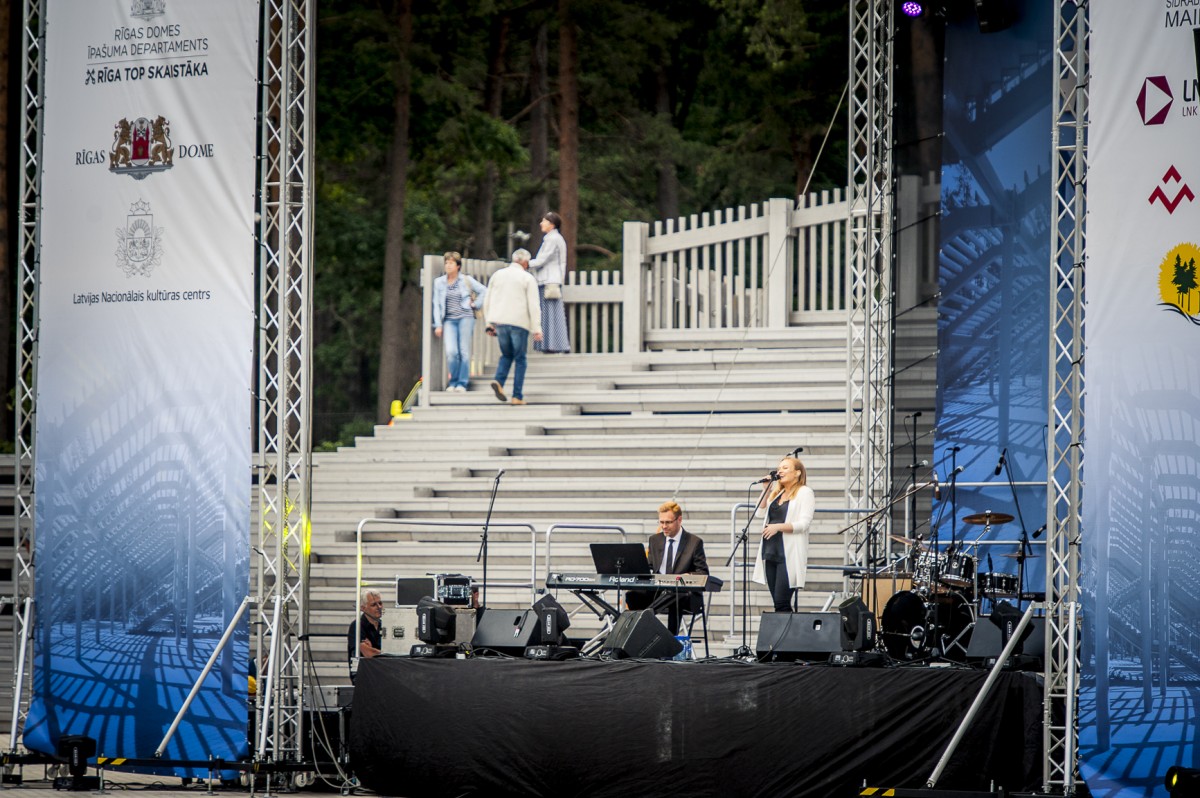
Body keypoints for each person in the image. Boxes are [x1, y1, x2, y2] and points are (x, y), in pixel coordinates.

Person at [627, 501, 709, 635]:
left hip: (684, 594)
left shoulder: (694, 542)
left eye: (668, 522)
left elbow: (703, 572)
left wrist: (688, 576)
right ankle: (643, 636)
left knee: (675, 595)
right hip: (659, 590)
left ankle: (670, 639)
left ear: (679, 520)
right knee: (633, 595)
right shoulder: (655, 540)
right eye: (661, 522)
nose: (664, 526)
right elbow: (650, 566)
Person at [751, 456, 816, 612]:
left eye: (785, 468)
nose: (780, 471)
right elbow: (760, 512)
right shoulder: (777, 493)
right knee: (778, 603)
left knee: (782, 602)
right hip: (771, 551)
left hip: (788, 555)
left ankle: (788, 636)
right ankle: (786, 635)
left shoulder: (804, 492)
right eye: (779, 468)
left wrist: (777, 527)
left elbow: (803, 524)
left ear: (797, 473)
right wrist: (766, 489)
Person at [484, 249, 542, 405]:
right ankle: (517, 396)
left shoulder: (498, 275)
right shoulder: (527, 278)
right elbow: (534, 305)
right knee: (520, 358)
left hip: (500, 322)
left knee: (506, 355)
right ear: (524, 262)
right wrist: (537, 328)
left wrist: (489, 323)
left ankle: (499, 381)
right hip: (519, 322)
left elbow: (488, 299)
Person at [431, 251, 487, 392]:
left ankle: (462, 383)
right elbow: (436, 304)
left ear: (458, 266)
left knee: (463, 351)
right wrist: (438, 324)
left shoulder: (466, 280)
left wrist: (475, 304)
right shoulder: (439, 282)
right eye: (446, 263)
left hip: (465, 317)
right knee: (451, 351)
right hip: (449, 319)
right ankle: (453, 381)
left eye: (451, 263)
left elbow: (484, 291)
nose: (448, 266)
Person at [527, 211, 571, 354]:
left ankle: (552, 344)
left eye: (544, 221)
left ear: (551, 224)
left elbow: (542, 260)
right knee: (551, 312)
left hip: (548, 280)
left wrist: (525, 263)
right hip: (551, 279)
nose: (541, 223)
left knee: (549, 312)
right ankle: (553, 344)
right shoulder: (555, 238)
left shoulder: (552, 239)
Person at [347, 588, 384, 677]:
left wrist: (375, 650)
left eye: (380, 603)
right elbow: (369, 654)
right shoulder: (356, 626)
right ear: (363, 608)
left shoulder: (384, 625)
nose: (379, 607)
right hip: (364, 676)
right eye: (374, 604)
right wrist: (389, 654)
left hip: (381, 674)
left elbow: (372, 653)